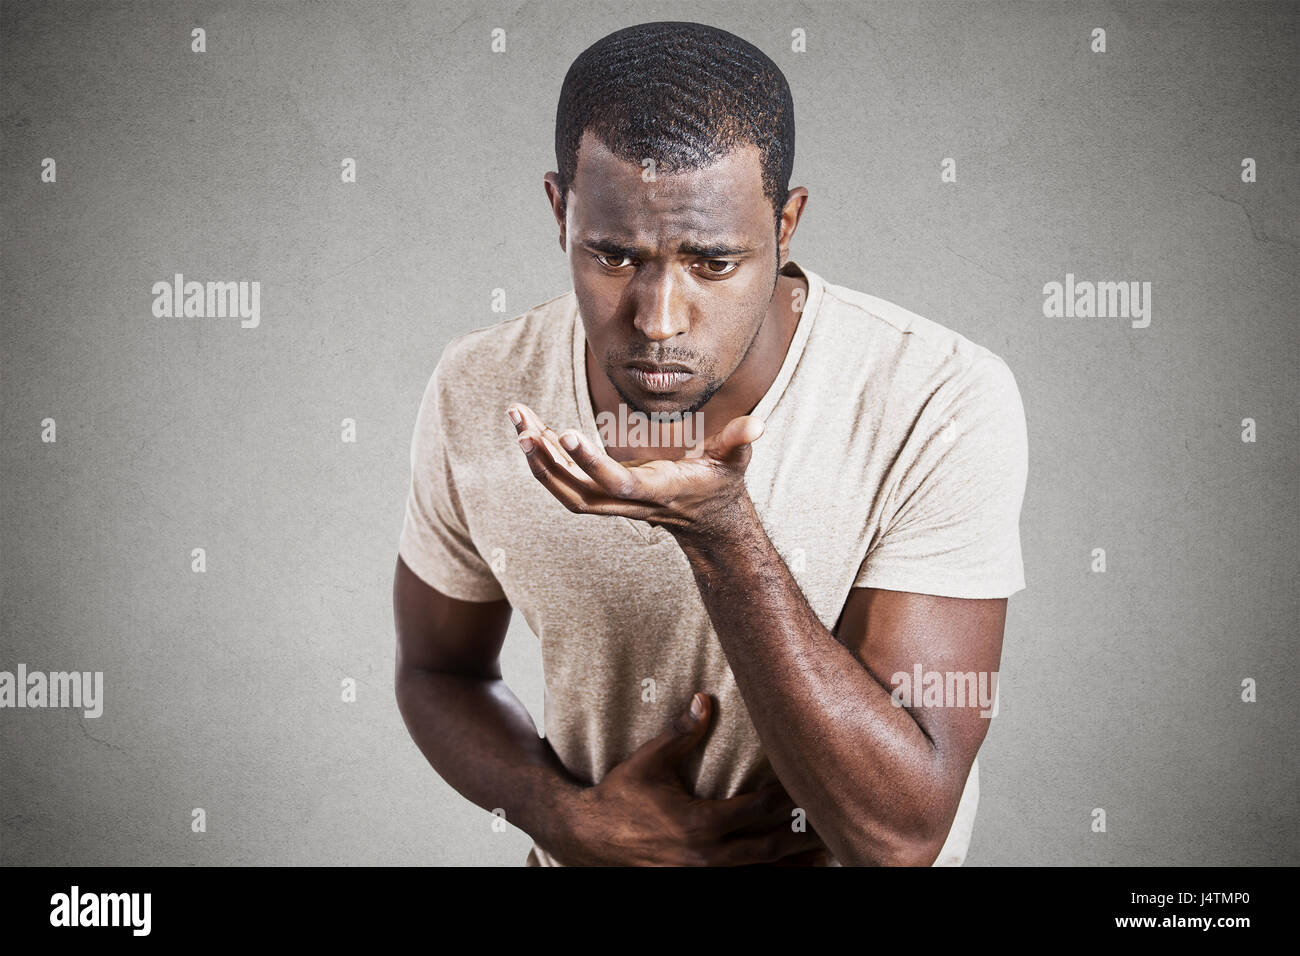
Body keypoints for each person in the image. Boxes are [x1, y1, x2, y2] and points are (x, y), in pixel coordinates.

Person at [393, 20, 1027, 866]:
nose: (658, 320)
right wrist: (560, 817)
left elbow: (900, 834)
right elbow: (439, 673)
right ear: (559, 211)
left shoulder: (936, 397)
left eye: (714, 263)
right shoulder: (480, 385)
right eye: (614, 257)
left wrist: (722, 532)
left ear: (787, 224)